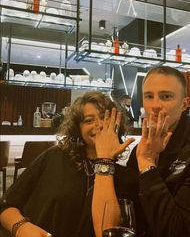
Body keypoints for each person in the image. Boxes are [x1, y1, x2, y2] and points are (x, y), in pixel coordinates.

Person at [92, 66, 190, 237]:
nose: (156, 105)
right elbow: (128, 208)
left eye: (166, 97)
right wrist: (106, 160)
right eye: (149, 96)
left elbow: (178, 231)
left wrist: (146, 163)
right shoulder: (145, 145)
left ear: (184, 104)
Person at [0, 91, 135, 237]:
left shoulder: (124, 177)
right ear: (78, 129)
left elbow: (106, 230)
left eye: (105, 118)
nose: (99, 125)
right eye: (89, 120)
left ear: (116, 123)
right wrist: (20, 227)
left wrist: (104, 160)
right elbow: (6, 206)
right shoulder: (54, 157)